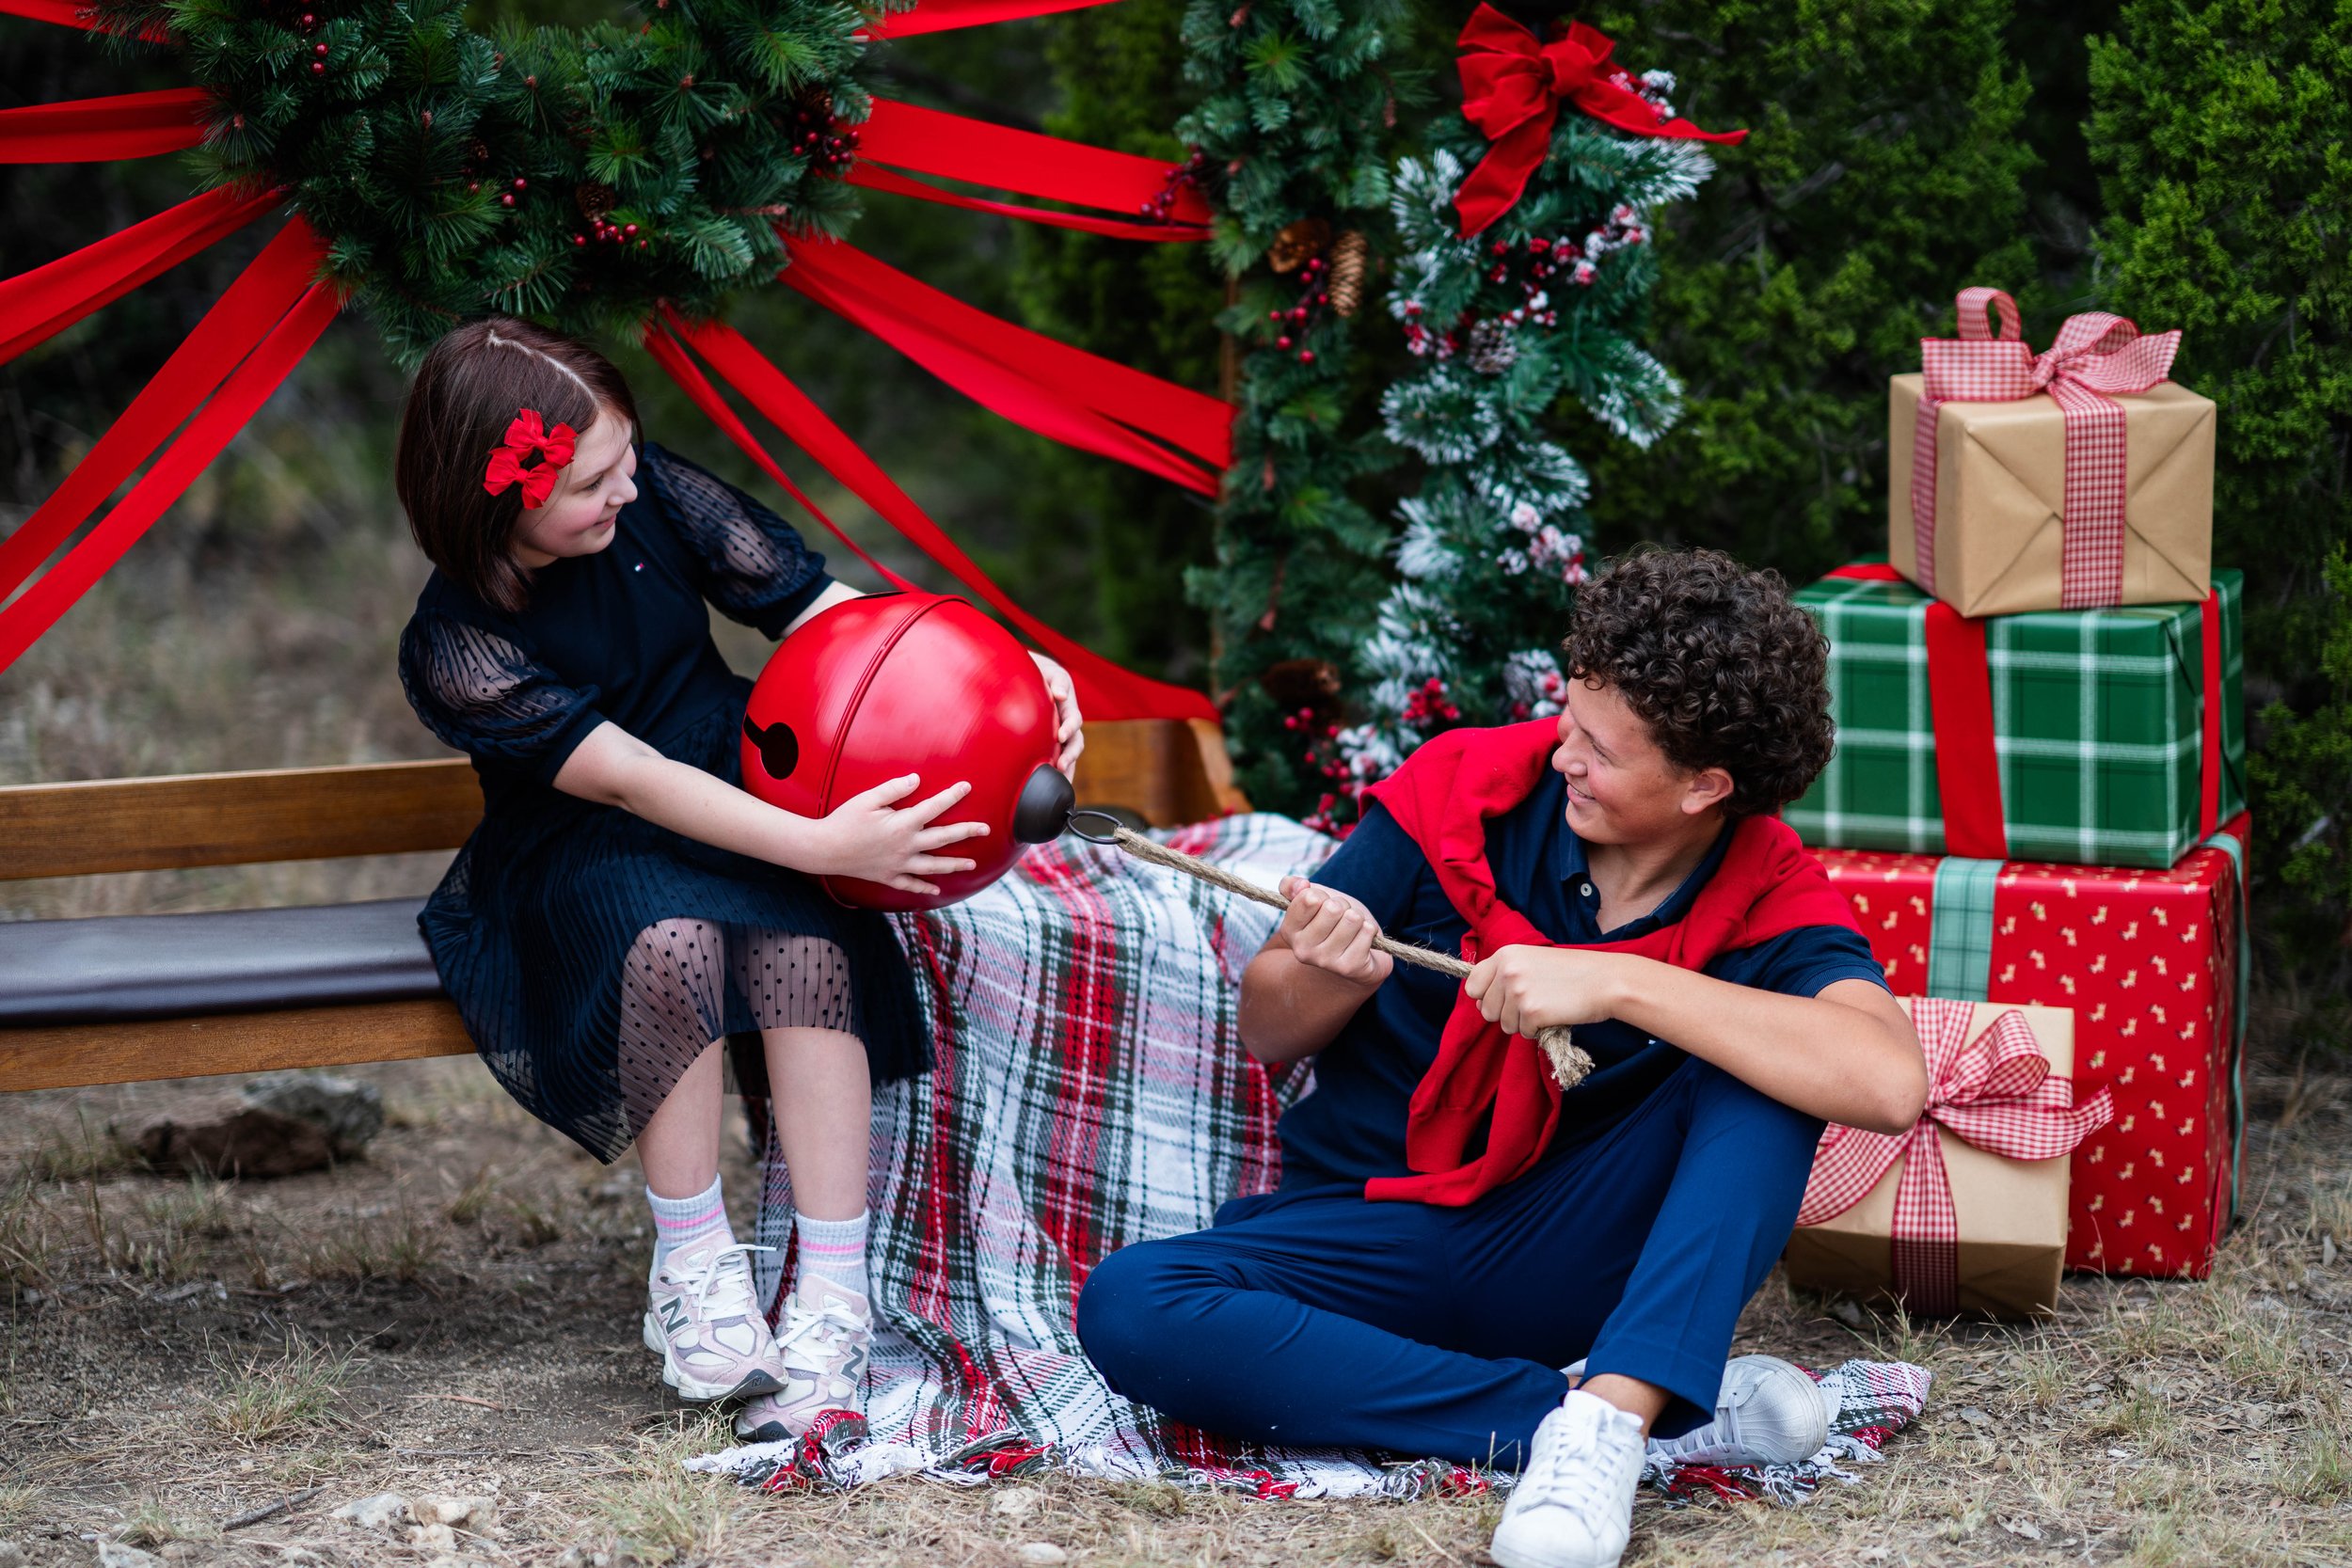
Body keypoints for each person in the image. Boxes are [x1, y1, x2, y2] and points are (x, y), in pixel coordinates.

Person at [1075, 547, 1926, 1568]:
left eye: (1602, 751)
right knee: (1132, 1304)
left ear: (1705, 784)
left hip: (1565, 1253)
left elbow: (1885, 1081)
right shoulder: (1461, 790)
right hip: (1366, 1230)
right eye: (1569, 720)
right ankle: (1596, 1421)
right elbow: (1269, 1025)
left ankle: (1614, 1407)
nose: (1564, 754)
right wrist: (1332, 974)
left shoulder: (1764, 882)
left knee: (1767, 1064)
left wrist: (1615, 982)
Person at [391, 318, 1083, 1443]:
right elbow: (629, 779)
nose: (625, 490)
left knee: (805, 951)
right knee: (672, 941)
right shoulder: (455, 644)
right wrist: (818, 847)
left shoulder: (648, 490)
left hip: (739, 774)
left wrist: (1006, 664)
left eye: (627, 458)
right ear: (494, 500)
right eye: (590, 483)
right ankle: (696, 1262)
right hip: (584, 840)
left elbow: (821, 611)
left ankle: (833, 1295)